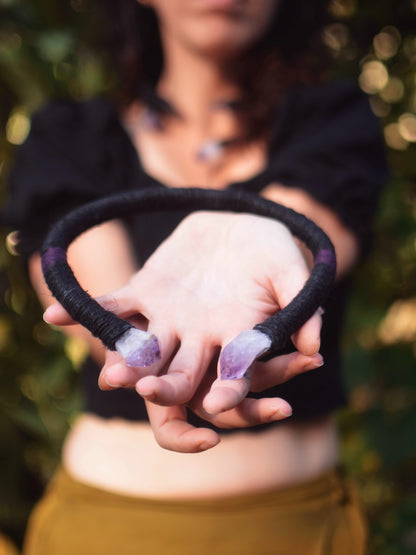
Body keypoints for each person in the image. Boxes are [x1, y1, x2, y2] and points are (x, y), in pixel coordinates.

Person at [3, 0, 388, 553]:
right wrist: (142, 340)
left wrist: (252, 233)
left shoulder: (332, 121)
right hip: (106, 528)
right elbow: (107, 305)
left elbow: (307, 230)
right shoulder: (71, 138)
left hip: (299, 529)